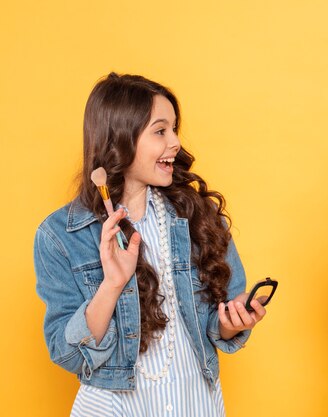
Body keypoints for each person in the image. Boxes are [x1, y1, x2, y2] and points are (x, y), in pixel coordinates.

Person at [34, 73, 266, 416]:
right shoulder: (60, 236)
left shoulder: (199, 216)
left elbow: (222, 312)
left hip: (197, 405)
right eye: (160, 131)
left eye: (174, 129)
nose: (174, 142)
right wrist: (112, 285)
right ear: (120, 139)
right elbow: (69, 355)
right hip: (114, 408)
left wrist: (232, 322)